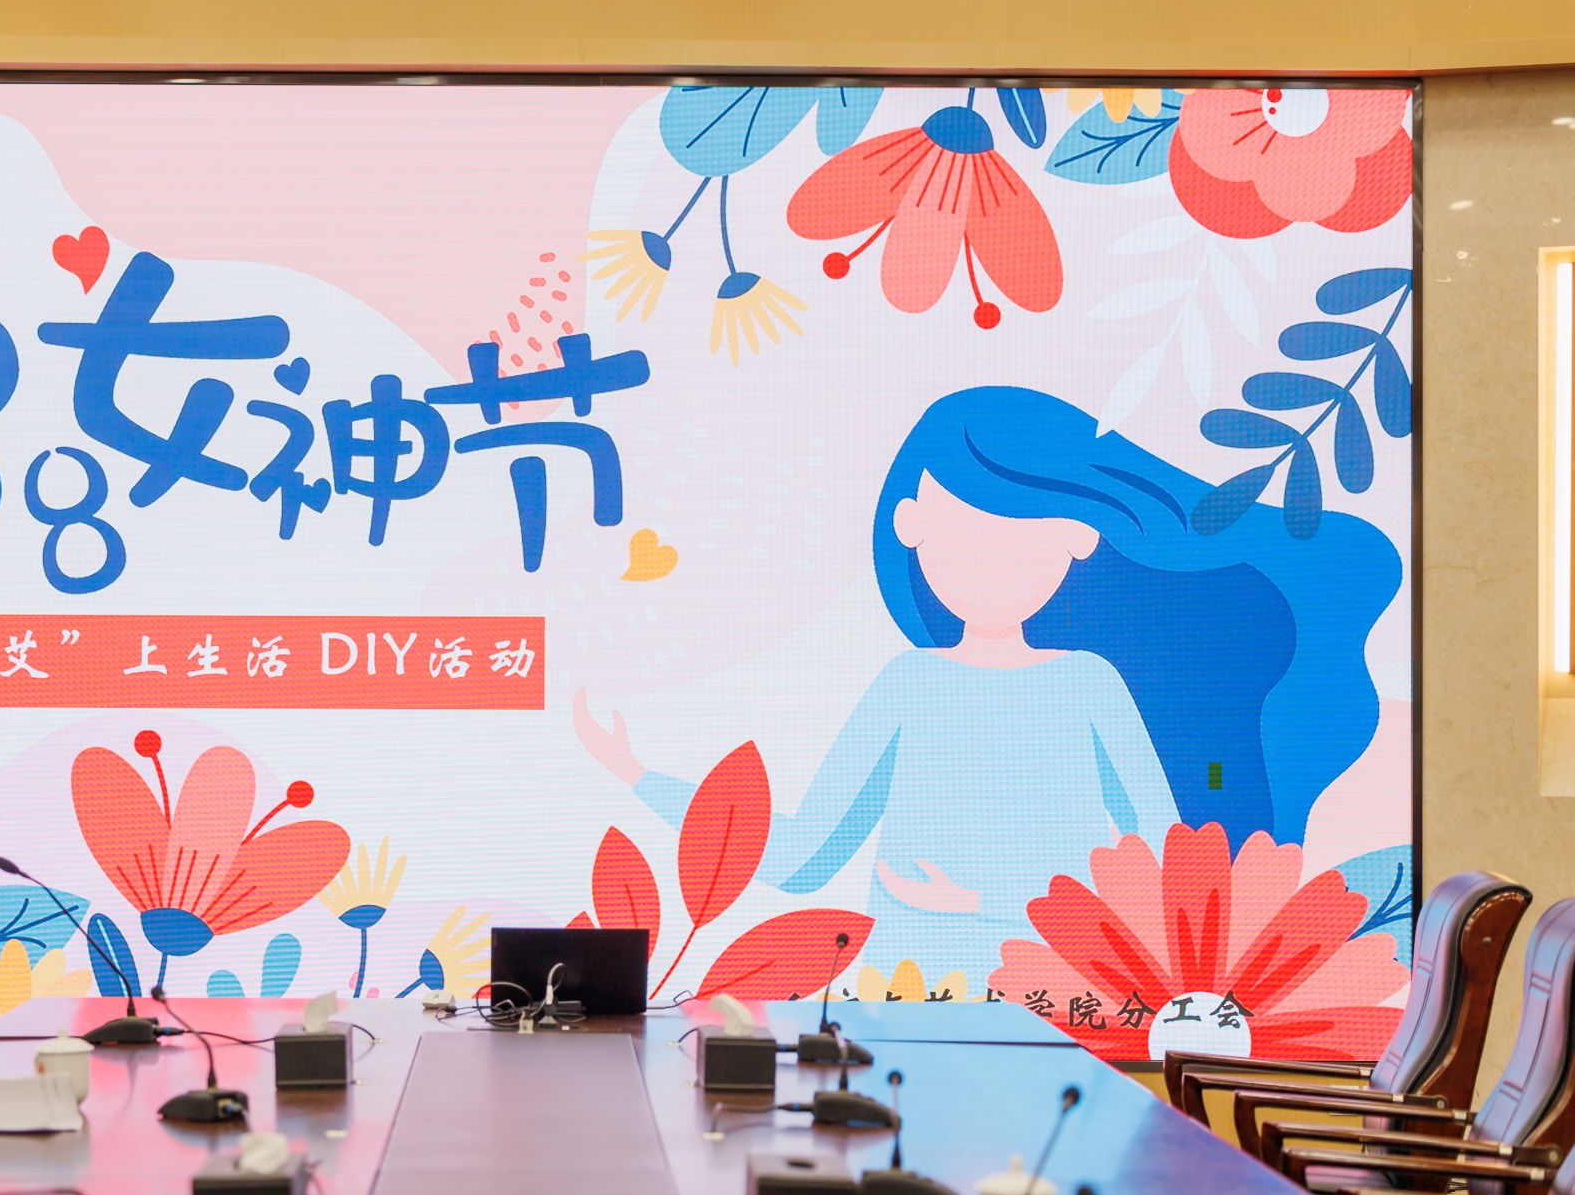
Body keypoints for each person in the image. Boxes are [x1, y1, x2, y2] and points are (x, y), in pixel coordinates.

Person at [576, 385, 1400, 982]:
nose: (988, 556)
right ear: (911, 526)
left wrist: (985, 900)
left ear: (1076, 538)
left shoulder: (1089, 686)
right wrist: (639, 775)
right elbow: (802, 859)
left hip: (1055, 1002)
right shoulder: (908, 682)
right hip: (898, 1007)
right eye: (961, 528)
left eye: (1018, 533)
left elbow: (1155, 864)